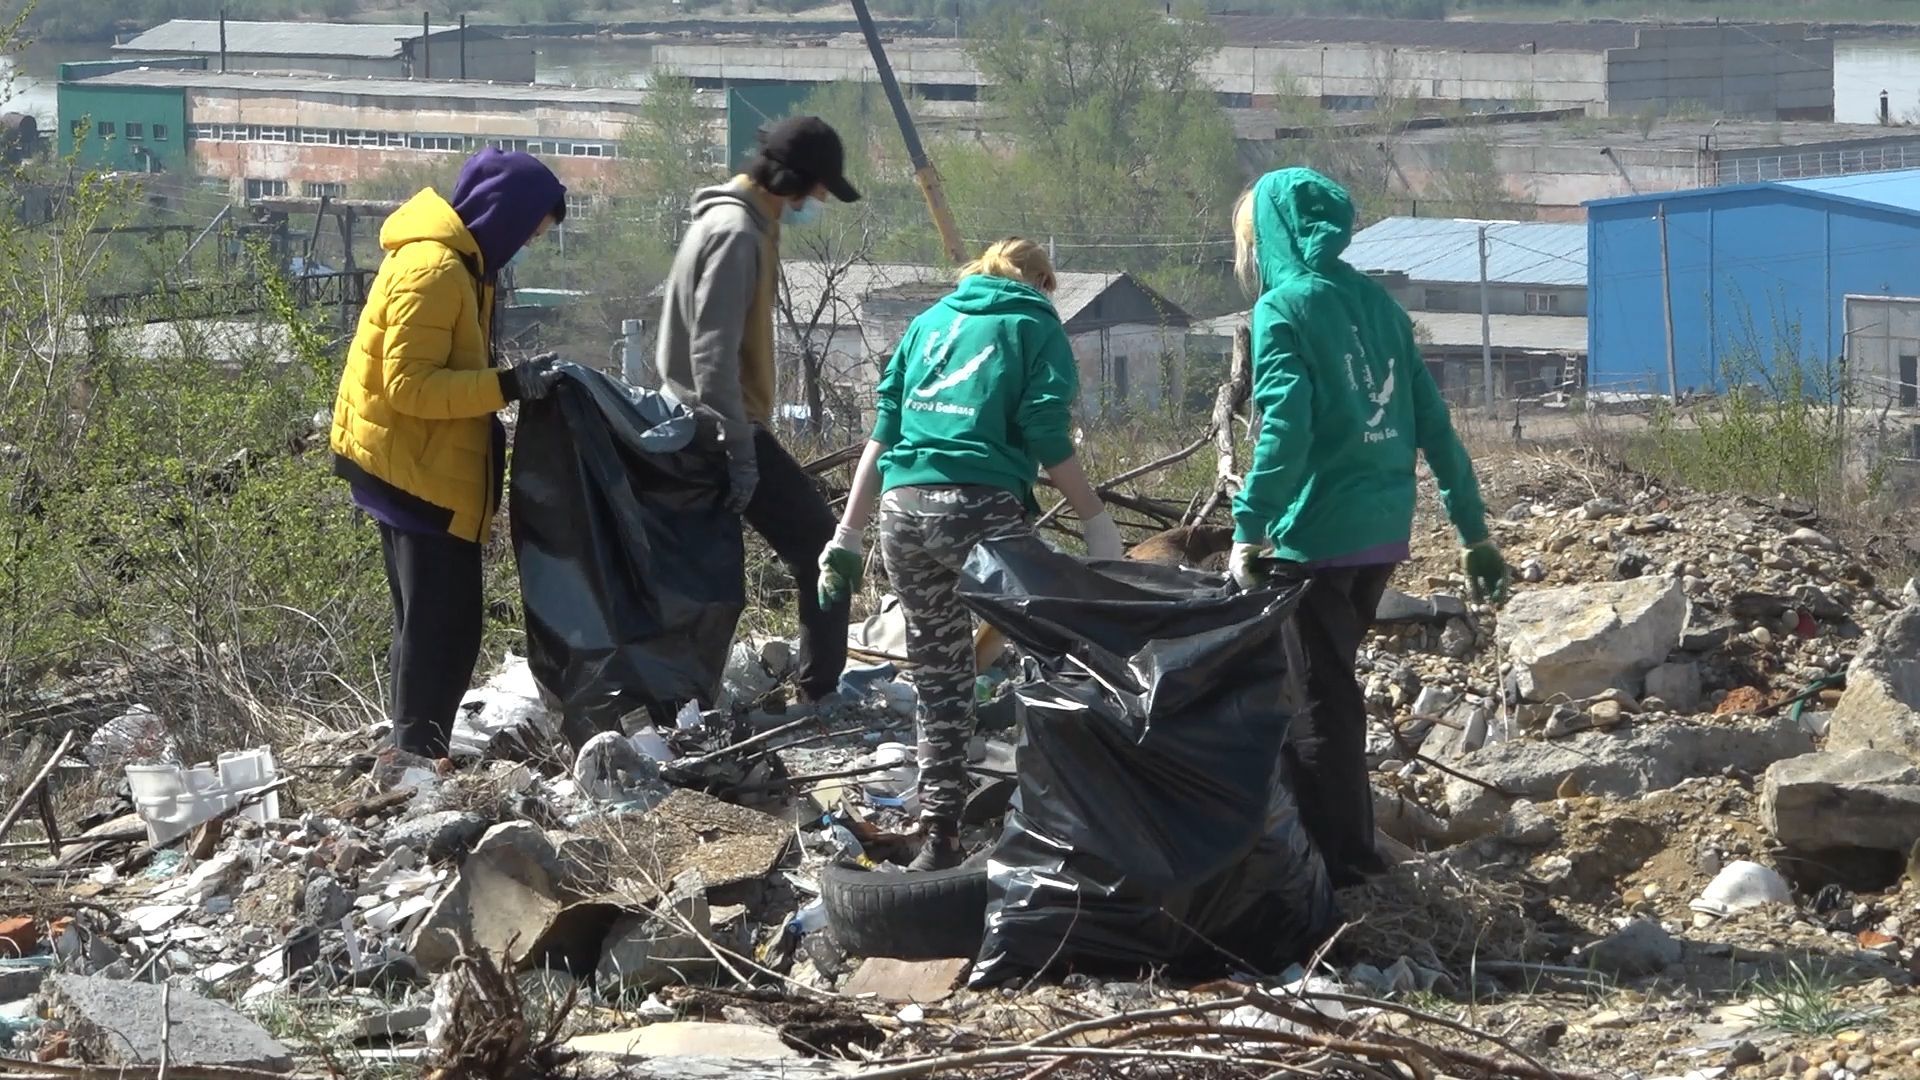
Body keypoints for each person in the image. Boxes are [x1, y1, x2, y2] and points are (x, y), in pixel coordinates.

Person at [1226, 167, 1509, 887]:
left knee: (1318, 706)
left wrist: (1250, 527)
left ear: (1269, 237)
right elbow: (1434, 427)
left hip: (1311, 537)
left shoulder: (1283, 308)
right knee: (1323, 689)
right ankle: (1326, 845)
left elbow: (1285, 429)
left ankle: (1343, 869)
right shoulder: (1377, 305)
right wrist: (1473, 533)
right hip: (1379, 533)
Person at [816, 238, 1125, 871]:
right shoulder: (1035, 324)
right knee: (1061, 652)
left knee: (942, 680)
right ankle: (1076, 814)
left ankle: (942, 837)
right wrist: (1095, 518)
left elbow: (884, 432)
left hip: (903, 515)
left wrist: (847, 535)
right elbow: (1044, 431)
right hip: (977, 509)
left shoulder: (928, 323)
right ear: (1040, 279)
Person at [331, 148, 569, 759]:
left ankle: (413, 749)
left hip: (415, 460)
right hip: (415, 470)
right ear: (505, 217)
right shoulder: (435, 270)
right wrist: (508, 386)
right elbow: (408, 386)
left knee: (426, 623)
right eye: (529, 232)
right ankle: (415, 759)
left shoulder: (461, 264)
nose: (524, 247)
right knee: (444, 627)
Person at [654, 115, 862, 708]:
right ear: (793, 181)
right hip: (716, 422)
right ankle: (818, 691)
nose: (819, 200)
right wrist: (741, 449)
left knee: (706, 576)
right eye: (819, 188)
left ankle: (693, 698)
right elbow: (711, 352)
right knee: (823, 545)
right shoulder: (736, 233)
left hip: (712, 419)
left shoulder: (745, 223)